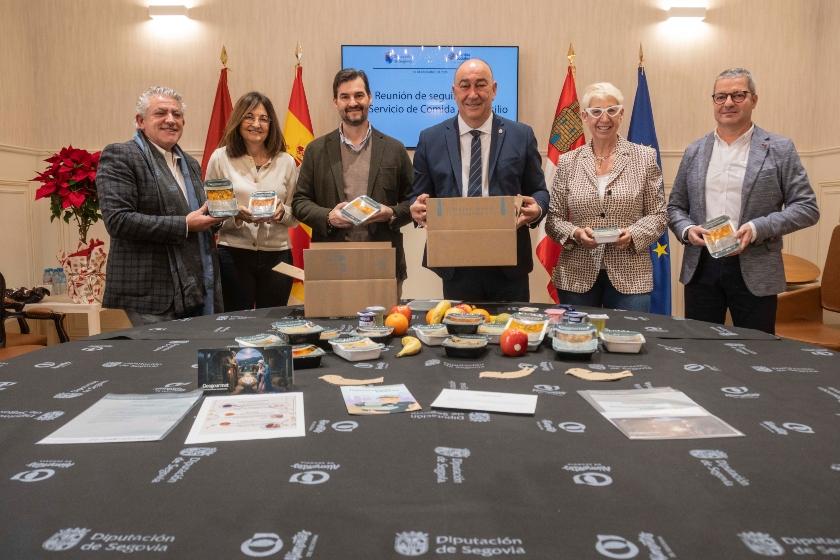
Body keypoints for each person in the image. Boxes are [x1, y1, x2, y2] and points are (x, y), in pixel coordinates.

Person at [667, 68, 819, 334]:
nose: (728, 103)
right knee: (700, 349)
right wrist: (688, 230)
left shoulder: (780, 148)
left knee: (758, 349)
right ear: (713, 102)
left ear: (754, 100)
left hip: (756, 266)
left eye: (738, 95)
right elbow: (675, 207)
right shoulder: (694, 151)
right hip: (702, 267)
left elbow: (806, 208)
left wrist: (758, 227)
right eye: (721, 96)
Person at [410, 58, 549, 302]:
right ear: (454, 92)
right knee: (459, 327)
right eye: (465, 86)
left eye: (481, 85)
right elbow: (417, 195)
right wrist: (417, 208)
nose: (472, 94)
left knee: (511, 327)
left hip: (509, 264)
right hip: (455, 263)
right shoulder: (430, 139)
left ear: (493, 89)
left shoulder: (521, 135)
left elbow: (540, 191)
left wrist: (537, 208)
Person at [96, 86, 224, 326]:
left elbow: (197, 216)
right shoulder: (121, 155)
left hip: (194, 287)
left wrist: (222, 216)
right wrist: (185, 225)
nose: (170, 120)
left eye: (177, 114)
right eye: (160, 113)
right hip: (151, 293)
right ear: (140, 121)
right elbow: (118, 221)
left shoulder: (189, 163)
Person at [544, 82, 667, 312]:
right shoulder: (568, 161)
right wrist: (576, 233)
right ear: (584, 116)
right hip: (576, 274)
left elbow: (658, 215)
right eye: (596, 111)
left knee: (627, 334)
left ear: (621, 114)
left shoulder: (645, 157)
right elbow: (553, 220)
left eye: (611, 110)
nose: (604, 118)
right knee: (576, 334)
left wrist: (632, 234)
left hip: (631, 275)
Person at [291, 68, 413, 290]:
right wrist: (329, 217)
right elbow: (299, 202)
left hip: (383, 264)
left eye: (359, 95)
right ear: (335, 102)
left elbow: (413, 203)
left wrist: (391, 213)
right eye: (345, 97)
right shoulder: (316, 150)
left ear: (370, 98)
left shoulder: (395, 149)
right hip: (331, 264)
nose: (352, 102)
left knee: (386, 316)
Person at [205, 91, 298, 311]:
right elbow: (211, 212)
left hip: (278, 255)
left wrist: (282, 213)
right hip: (233, 253)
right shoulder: (220, 158)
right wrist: (236, 214)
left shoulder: (286, 162)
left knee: (274, 321)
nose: (256, 124)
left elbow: (296, 213)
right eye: (249, 117)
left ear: (271, 124)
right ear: (238, 120)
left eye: (263, 119)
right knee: (236, 321)